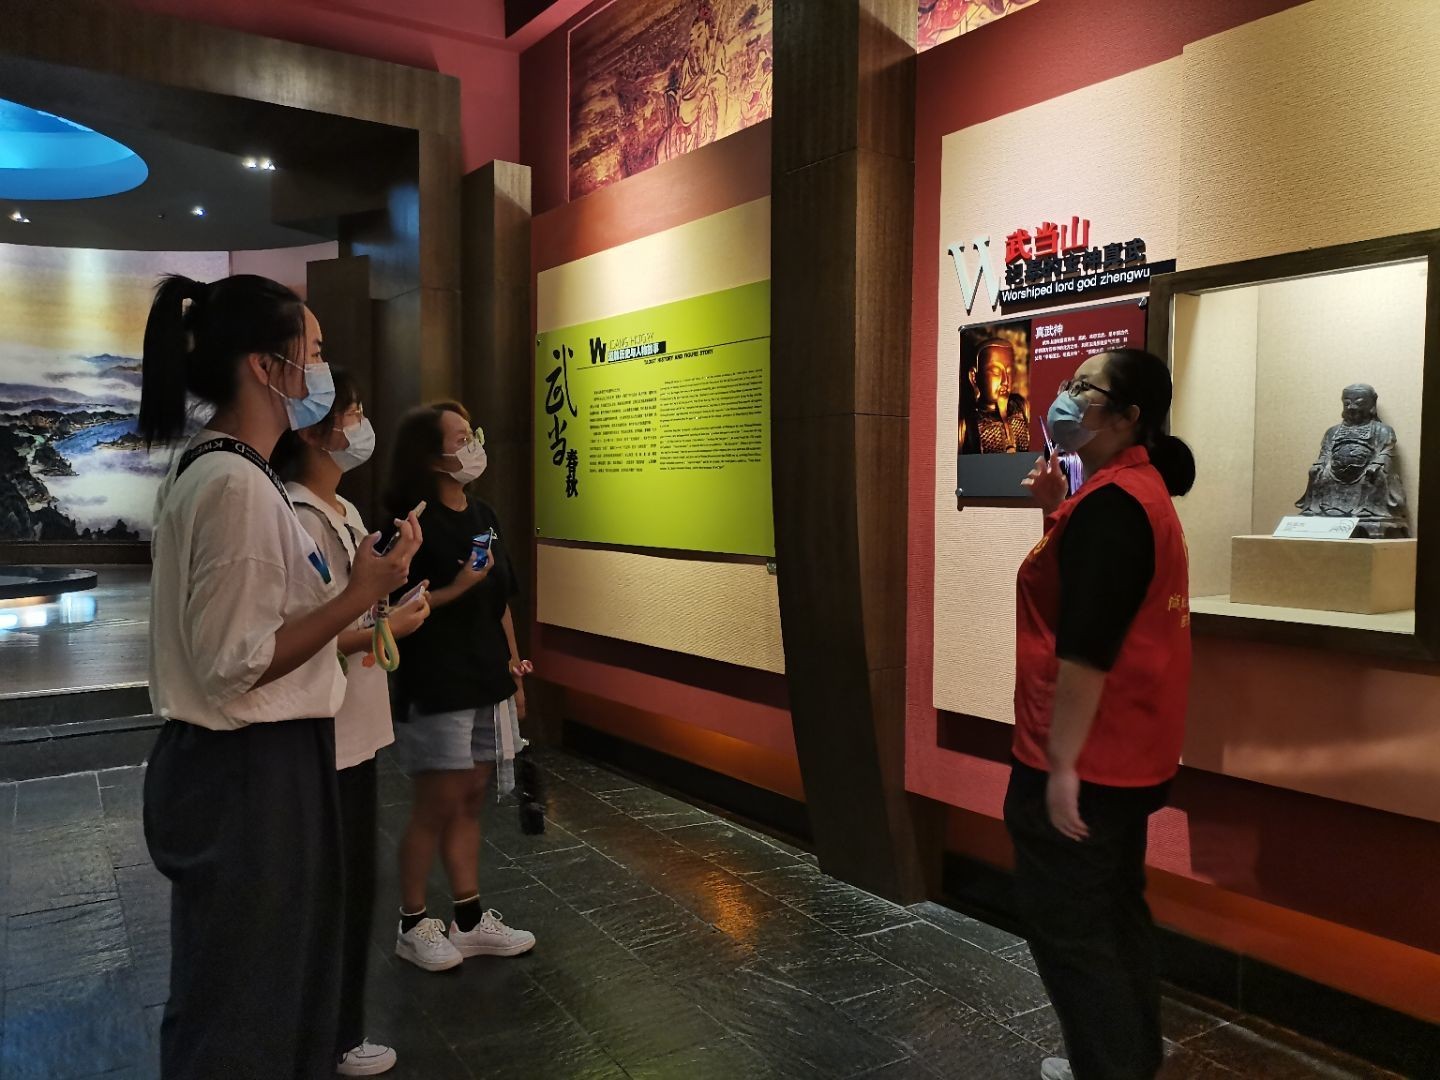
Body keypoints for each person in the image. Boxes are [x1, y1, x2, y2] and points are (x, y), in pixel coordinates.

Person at [138, 274, 422, 1079]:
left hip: (258, 763)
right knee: (246, 1001)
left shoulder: (233, 472)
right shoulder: (234, 485)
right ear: (267, 367)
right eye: (316, 352)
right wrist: (361, 596)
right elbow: (239, 662)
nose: (323, 371)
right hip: (248, 770)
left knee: (263, 983)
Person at [1007, 348, 1196, 1080]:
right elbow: (1090, 590)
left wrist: (1060, 768)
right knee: (1113, 914)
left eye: (1084, 387)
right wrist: (1055, 508)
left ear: (1127, 416)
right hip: (1130, 751)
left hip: (1087, 758)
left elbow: (1086, 649)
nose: (1066, 396)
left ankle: (1110, 1068)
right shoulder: (1131, 493)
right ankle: (1124, 1061)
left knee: (1073, 936)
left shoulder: (1115, 507)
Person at [272, 369, 432, 1077]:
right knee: (331, 892)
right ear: (312, 429)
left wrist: (394, 586)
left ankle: (337, 1029)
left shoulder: (342, 511)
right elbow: (306, 634)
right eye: (353, 411)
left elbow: (357, 607)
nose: (362, 423)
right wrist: (387, 625)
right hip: (326, 727)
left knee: (353, 885)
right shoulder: (298, 515)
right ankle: (327, 1037)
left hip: (356, 724)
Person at [383, 401, 536, 970]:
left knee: (470, 798)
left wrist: (514, 672)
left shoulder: (485, 514)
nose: (473, 445)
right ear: (431, 456)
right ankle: (412, 923)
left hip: (485, 677)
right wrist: (458, 586)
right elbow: (398, 608)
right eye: (460, 437)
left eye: (474, 433)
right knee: (436, 803)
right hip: (436, 681)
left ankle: (468, 920)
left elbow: (501, 604)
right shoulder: (410, 523)